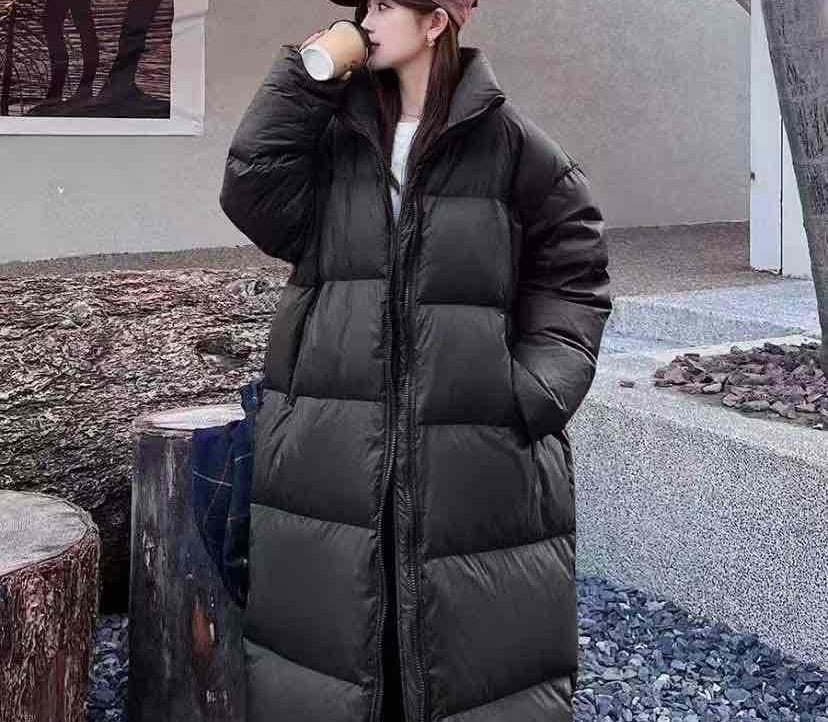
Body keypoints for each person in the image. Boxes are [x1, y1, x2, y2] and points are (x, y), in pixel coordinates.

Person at [219, 1, 612, 720]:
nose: (366, 18)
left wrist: (533, 389)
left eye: (386, 6)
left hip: (472, 448)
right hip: (332, 438)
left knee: (467, 657)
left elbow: (576, 267)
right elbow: (250, 191)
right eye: (363, 5)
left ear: (437, 23)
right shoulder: (336, 136)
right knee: (331, 644)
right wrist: (305, 79)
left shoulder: (510, 144)